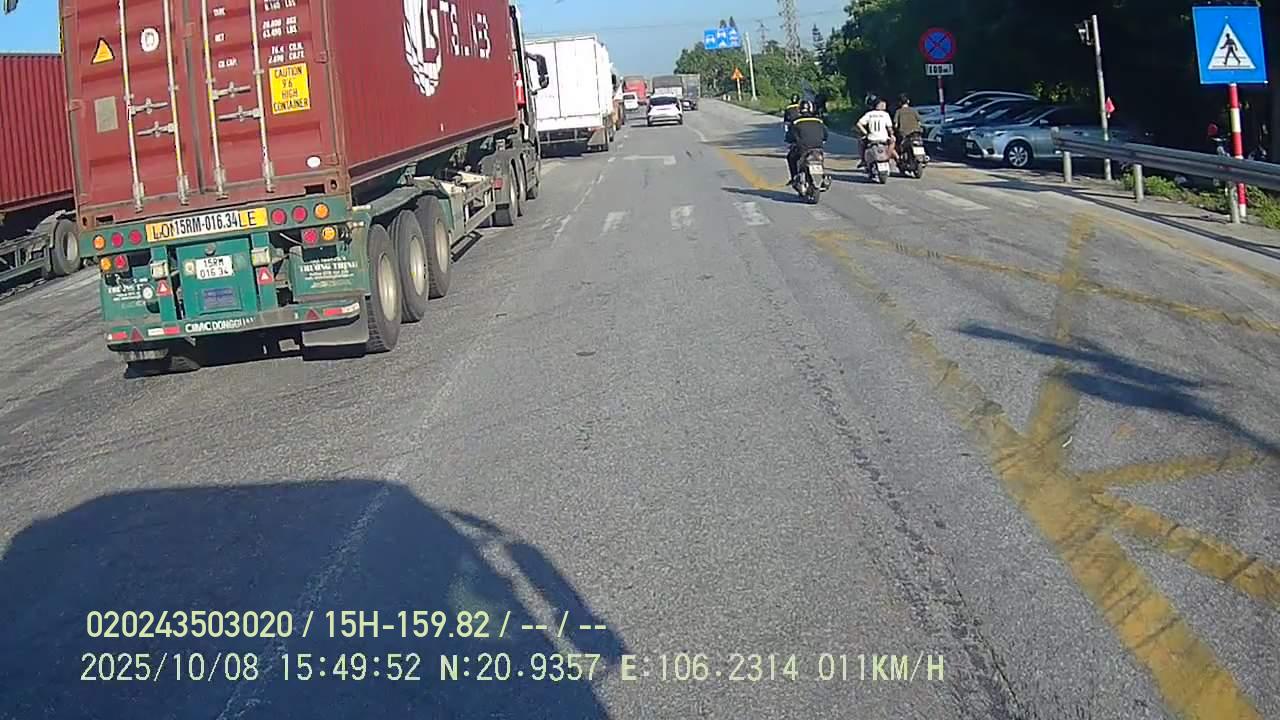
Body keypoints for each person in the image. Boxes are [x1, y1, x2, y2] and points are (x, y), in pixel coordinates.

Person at [786, 100, 829, 184]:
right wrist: (822, 141)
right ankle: (823, 177)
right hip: (818, 148)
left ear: (799, 110)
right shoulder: (819, 120)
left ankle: (794, 177)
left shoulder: (796, 121)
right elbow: (825, 135)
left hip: (803, 148)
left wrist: (790, 141)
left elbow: (789, 136)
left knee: (791, 157)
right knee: (819, 159)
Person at [856, 98, 895, 166]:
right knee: (893, 142)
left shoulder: (869, 114)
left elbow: (859, 124)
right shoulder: (885, 114)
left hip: (871, 137)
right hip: (884, 138)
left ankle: (863, 160)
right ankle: (887, 157)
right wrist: (892, 135)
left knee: (861, 142)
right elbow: (889, 128)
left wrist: (865, 133)